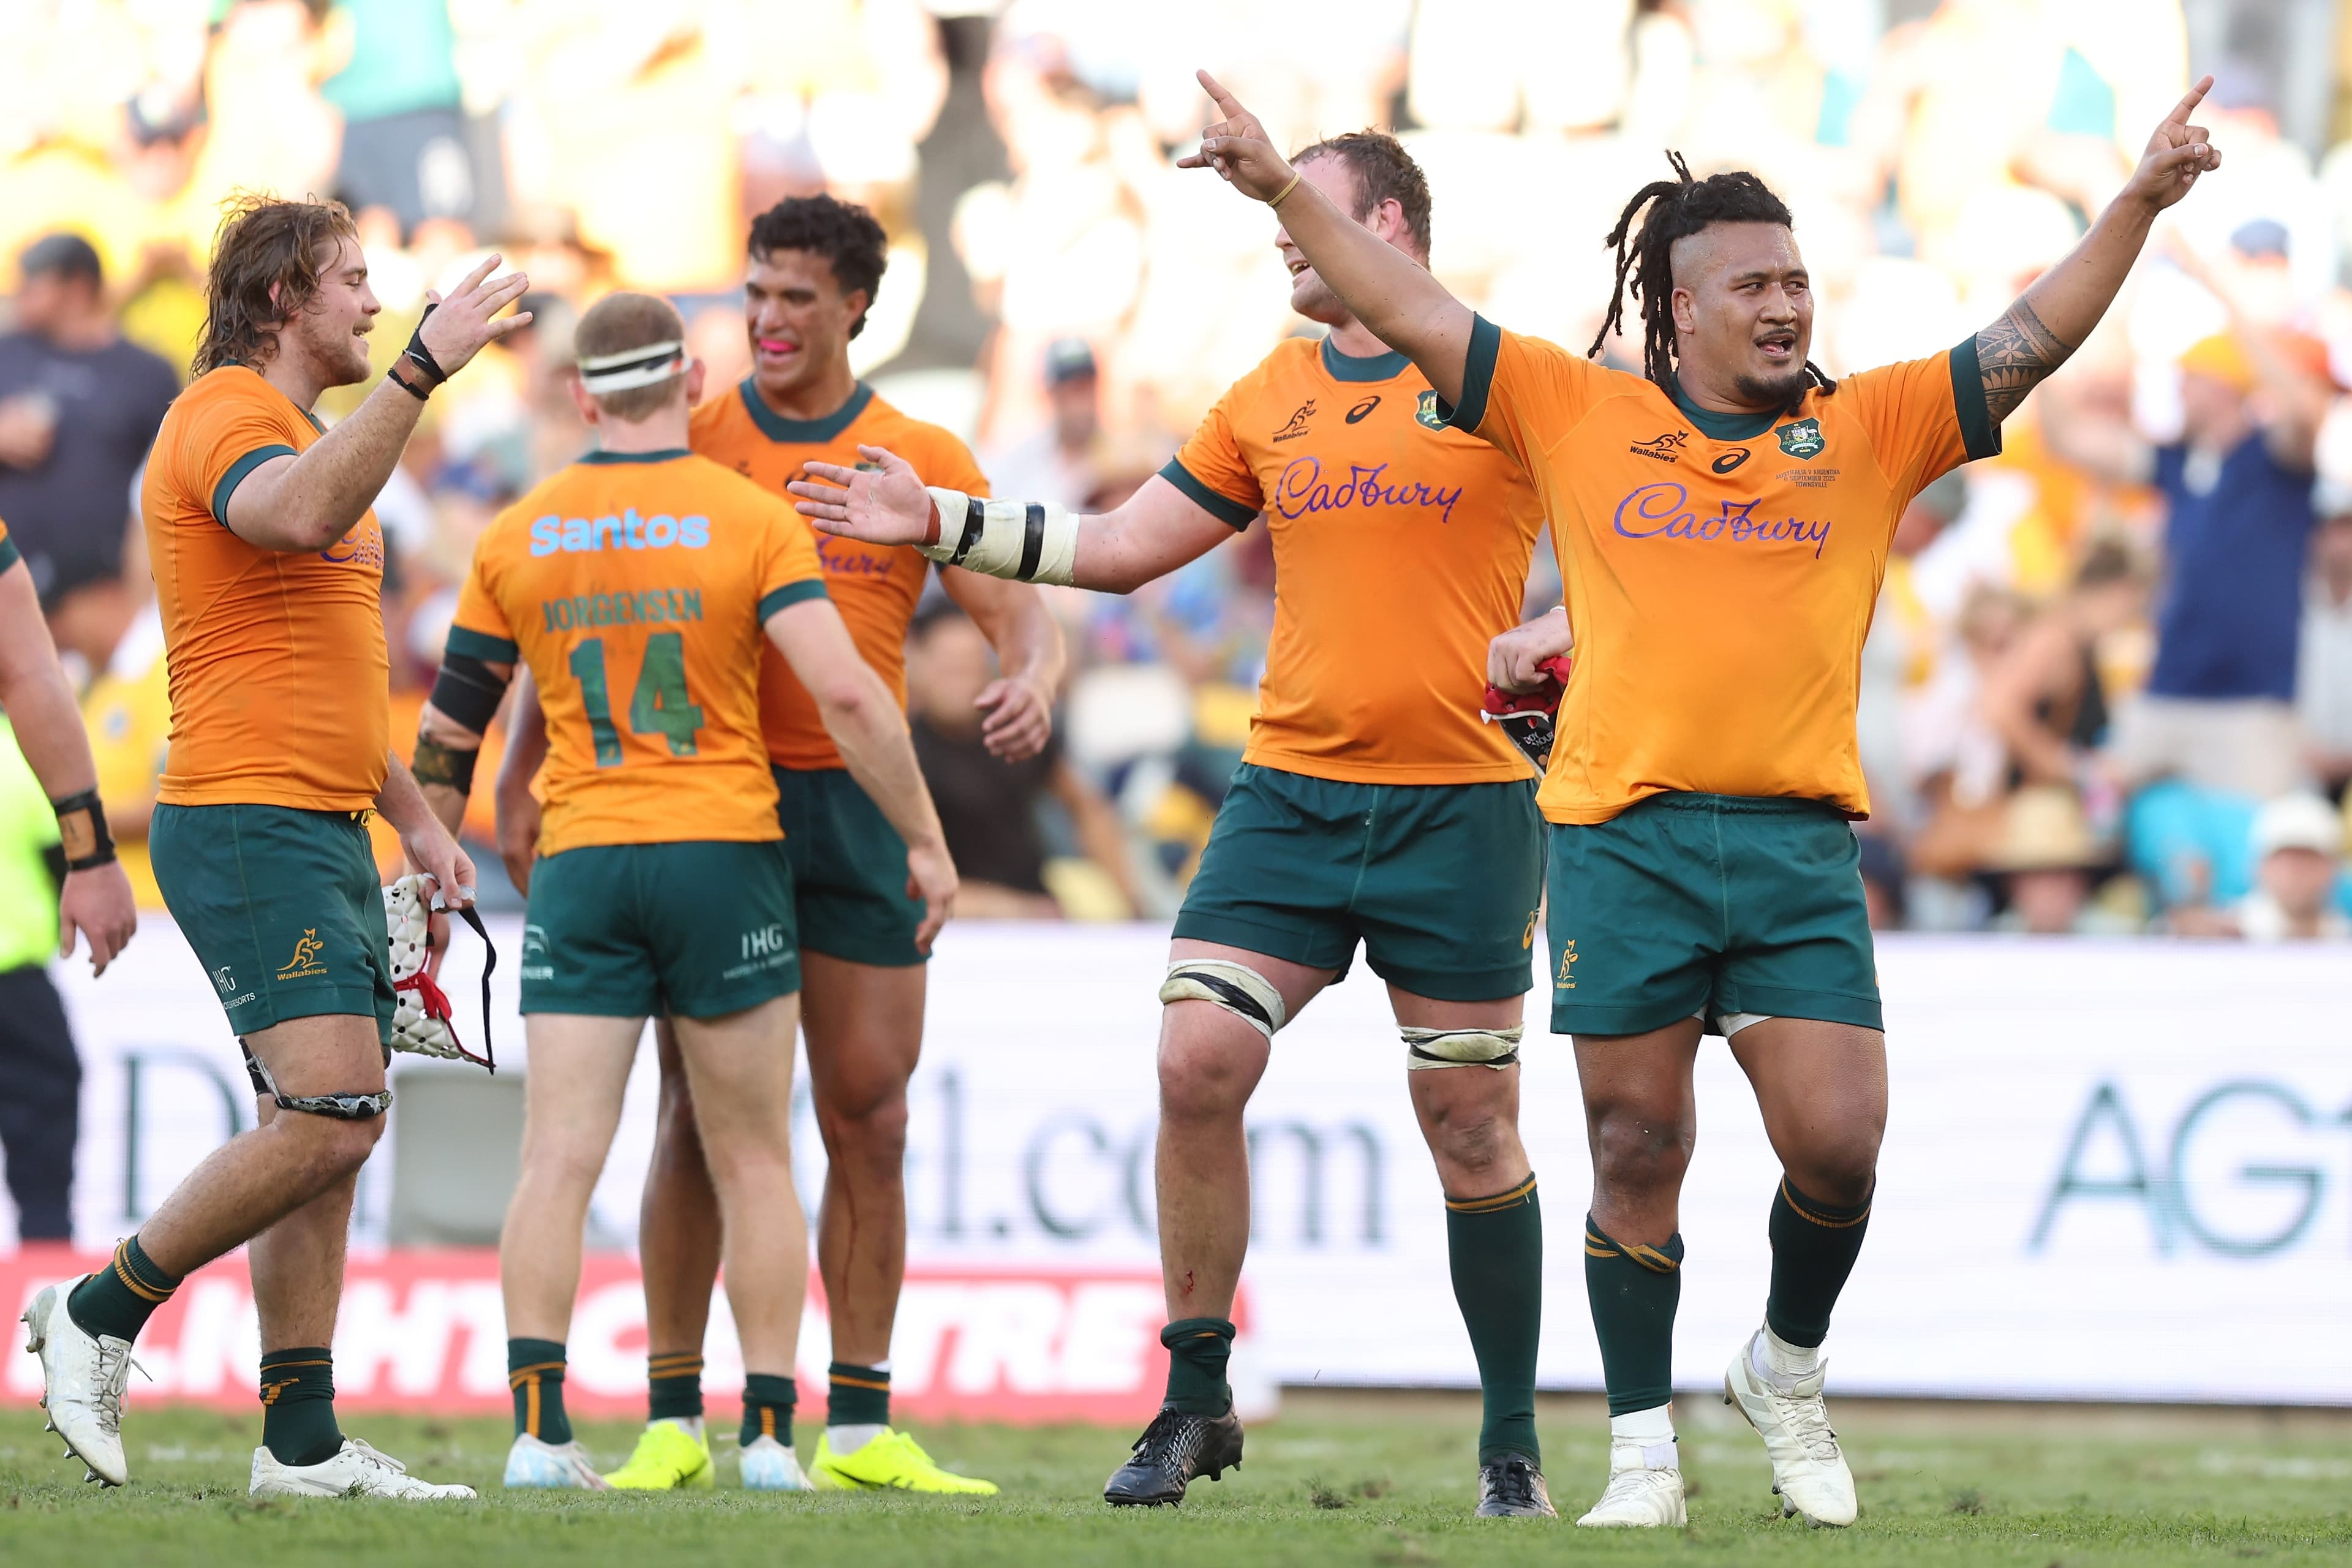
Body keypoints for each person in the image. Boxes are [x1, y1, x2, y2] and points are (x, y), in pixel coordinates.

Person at [1167, 69, 2220, 1527]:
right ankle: (1642, 1453)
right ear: (1678, 307)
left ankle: (1783, 1361)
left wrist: (2136, 204)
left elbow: (2031, 335)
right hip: (1618, 836)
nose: (1786, 305)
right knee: (1632, 1144)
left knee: (1839, 1141)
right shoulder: (1570, 408)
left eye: (1796, 279)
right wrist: (1281, 187)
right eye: (1752, 284)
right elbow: (1405, 308)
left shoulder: (1874, 423)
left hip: (1793, 843)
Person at [790, 130, 1561, 1517]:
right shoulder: (1268, 394)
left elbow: (1632, 547)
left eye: (1303, 215)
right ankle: (1195, 1395)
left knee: (1469, 1123)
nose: (1279, 241)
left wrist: (1562, 633)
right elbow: (1123, 544)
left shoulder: (1498, 377)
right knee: (1194, 1059)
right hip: (1291, 796)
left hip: (1462, 805)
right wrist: (942, 523)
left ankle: (1510, 1441)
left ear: (1383, 222)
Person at [493, 195, 1050, 1495]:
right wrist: (524, 769)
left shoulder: (917, 450)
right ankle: (677, 1414)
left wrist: (1035, 666)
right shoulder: (699, 437)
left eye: (798, 295)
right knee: (695, 1112)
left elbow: (1012, 605)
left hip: (855, 809)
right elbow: (574, 604)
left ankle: (857, 1422)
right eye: (756, 293)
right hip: (716, 801)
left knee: (871, 1109)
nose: (770, 317)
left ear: (858, 306)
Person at [411, 290, 957, 1494]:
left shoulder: (519, 532)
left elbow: (449, 732)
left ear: (582, 394)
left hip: (587, 860)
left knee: (557, 1155)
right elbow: (853, 697)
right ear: (694, 384)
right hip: (723, 849)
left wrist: (418, 873)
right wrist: (923, 836)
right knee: (754, 1153)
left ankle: (541, 1435)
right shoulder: (749, 519)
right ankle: (766, 1437)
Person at [22, 194, 523, 1499]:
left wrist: (416, 820)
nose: (374, 301)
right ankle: (98, 1307)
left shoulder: (308, 431)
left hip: (319, 821)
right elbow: (293, 515)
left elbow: (334, 673)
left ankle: (298, 1442)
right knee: (334, 1107)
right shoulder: (224, 417)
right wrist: (422, 366)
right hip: (245, 820)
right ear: (279, 300)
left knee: (324, 1123)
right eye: (353, 280)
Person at [2041, 322, 2324, 801]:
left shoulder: (2274, 459)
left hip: (2252, 702)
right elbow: (2066, 439)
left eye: (2188, 381)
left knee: (2249, 846)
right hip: (2171, 688)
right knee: (2103, 811)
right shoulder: (2175, 463)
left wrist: (2236, 315)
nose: (2177, 393)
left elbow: (2305, 410)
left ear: (2220, 387)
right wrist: (2042, 340)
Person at [0, 514, 138, 1242]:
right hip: (12, 971)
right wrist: (90, 859)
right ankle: (43, 1260)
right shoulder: (12, 747)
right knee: (45, 1114)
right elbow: (29, 669)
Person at [0, 234, 179, 659]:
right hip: (8, 588)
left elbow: (170, 484)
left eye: (32, 286)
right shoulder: (9, 352)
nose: (19, 297)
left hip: (100, 605)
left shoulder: (147, 372)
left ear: (77, 288)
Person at [905, 599, 1142, 918]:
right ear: (918, 667)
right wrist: (1011, 909)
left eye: (969, 665)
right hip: (955, 922)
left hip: (1037, 912)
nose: (960, 681)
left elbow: (1087, 807)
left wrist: (1131, 903)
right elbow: (902, 880)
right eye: (948, 668)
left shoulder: (1013, 728)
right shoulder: (905, 754)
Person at [983, 337, 1106, 510]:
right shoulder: (1018, 458)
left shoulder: (1125, 462)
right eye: (1072, 390)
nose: (1081, 404)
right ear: (1053, 394)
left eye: (1086, 387)